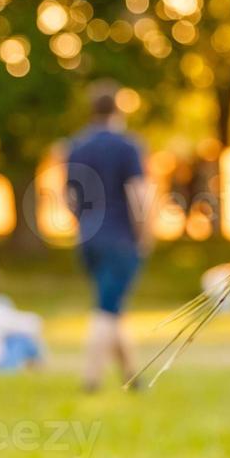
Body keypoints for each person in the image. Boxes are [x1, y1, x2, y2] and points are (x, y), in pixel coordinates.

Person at [64, 81, 151, 392]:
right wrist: (145, 233)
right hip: (120, 237)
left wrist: (83, 225)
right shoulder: (128, 146)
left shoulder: (75, 146)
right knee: (106, 308)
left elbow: (70, 198)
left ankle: (132, 375)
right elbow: (139, 195)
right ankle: (91, 378)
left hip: (88, 238)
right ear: (118, 108)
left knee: (114, 305)